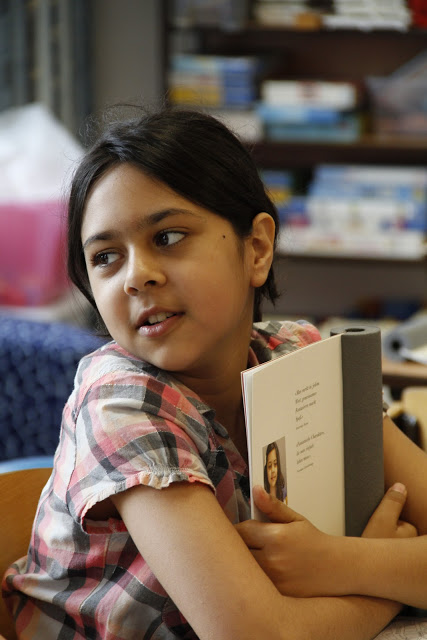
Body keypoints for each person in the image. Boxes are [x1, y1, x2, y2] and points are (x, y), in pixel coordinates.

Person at [3, 106, 427, 640]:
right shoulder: (120, 404)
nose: (137, 277)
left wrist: (341, 562)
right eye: (106, 257)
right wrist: (386, 584)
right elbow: (256, 637)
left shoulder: (297, 353)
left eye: (168, 237)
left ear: (257, 248)